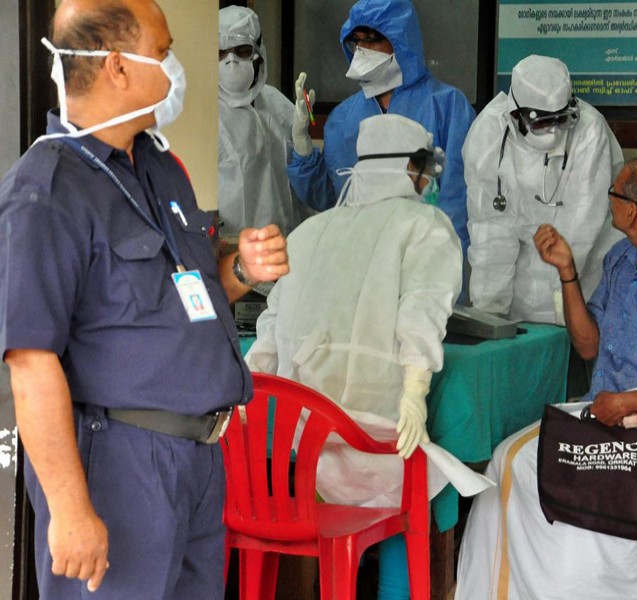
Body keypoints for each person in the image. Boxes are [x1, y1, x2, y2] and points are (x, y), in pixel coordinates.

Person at [0, 0, 289, 597]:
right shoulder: (47, 190)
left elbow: (187, 293)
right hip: (122, 466)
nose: (175, 66)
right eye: (163, 53)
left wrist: (241, 269)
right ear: (118, 67)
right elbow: (30, 362)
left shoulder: (160, 165)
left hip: (199, 461)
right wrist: (71, 510)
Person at [455, 156, 637, 599]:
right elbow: (588, 345)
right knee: (506, 460)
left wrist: (627, 404)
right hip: (603, 409)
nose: (607, 201)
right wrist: (567, 272)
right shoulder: (619, 260)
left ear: (633, 211)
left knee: (576, 479)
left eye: (614, 193)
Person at [246, 113, 469, 600]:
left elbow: (266, 336)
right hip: (373, 436)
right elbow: (422, 313)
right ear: (411, 170)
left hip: (301, 443)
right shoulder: (425, 224)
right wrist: (414, 390)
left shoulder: (308, 233)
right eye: (425, 169)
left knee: (342, 512)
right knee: (413, 490)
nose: (429, 181)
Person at [287, 0, 475, 258]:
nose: (362, 50)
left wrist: (444, 266)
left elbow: (457, 198)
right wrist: (303, 145)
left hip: (426, 256)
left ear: (401, 41)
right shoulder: (343, 118)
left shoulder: (447, 106)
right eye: (357, 41)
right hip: (360, 259)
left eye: (373, 39)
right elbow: (331, 199)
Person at [464, 54, 624, 324]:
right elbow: (489, 230)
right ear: (515, 113)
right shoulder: (489, 131)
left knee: (571, 343)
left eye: (561, 120)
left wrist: (561, 306)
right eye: (540, 122)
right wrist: (488, 315)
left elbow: (581, 226)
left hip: (581, 274)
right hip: (522, 283)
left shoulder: (589, 129)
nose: (553, 131)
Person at [218, 5, 304, 238]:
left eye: (242, 50)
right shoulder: (208, 116)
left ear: (259, 52)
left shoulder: (275, 101)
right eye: (221, 52)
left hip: (290, 240)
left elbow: (303, 177)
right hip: (238, 252)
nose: (231, 61)